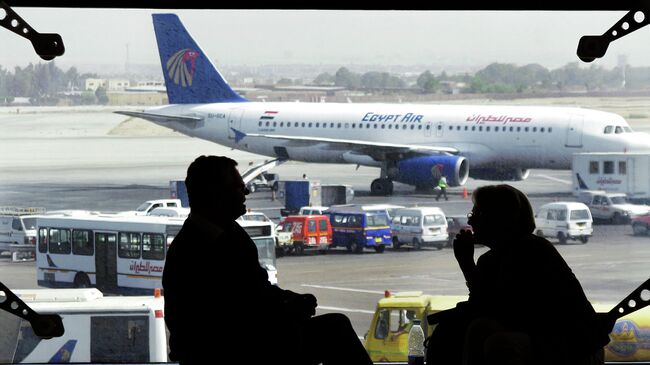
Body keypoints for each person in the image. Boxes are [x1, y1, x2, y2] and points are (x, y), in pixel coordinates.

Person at [162, 155, 373, 365]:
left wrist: (289, 299)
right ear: (214, 194)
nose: (246, 192)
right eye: (237, 187)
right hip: (227, 354)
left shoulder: (225, 235)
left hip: (243, 346)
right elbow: (234, 316)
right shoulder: (193, 253)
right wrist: (288, 309)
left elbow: (256, 292)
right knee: (335, 329)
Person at [426, 184, 614, 365]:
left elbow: (490, 307)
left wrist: (466, 263)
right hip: (552, 345)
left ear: (499, 219)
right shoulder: (497, 257)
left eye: (477, 214)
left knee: (491, 339)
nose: (470, 221)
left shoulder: (532, 252)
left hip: (577, 350)